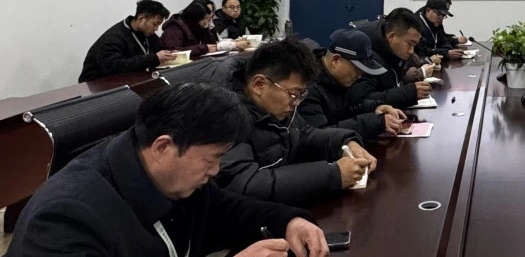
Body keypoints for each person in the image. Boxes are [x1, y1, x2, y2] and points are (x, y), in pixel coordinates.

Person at [6, 82, 329, 257]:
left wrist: (289, 221)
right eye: (212, 159)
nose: (216, 171)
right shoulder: (66, 217)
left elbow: (228, 210)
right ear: (163, 147)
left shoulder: (171, 179)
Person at [215, 38, 378, 206]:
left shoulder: (276, 108)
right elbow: (244, 183)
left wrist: (345, 143)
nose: (297, 102)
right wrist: (332, 175)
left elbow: (303, 136)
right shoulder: (224, 116)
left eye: (301, 95)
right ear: (259, 84)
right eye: (293, 94)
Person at [298, 30, 409, 140]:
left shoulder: (336, 81)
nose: (360, 76)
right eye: (357, 69)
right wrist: (375, 123)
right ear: (336, 60)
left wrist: (375, 108)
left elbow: (348, 108)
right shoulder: (306, 89)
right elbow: (319, 136)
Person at [349, 8, 432, 109]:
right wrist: (407, 93)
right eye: (410, 44)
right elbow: (361, 100)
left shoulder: (394, 52)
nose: (411, 51)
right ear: (391, 37)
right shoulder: (365, 55)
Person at [80, 0, 176, 82]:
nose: (156, 29)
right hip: (98, 85)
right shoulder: (113, 37)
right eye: (155, 24)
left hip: (129, 80)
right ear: (141, 19)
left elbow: (158, 50)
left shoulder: (147, 33)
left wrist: (170, 54)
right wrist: (154, 58)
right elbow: (114, 67)